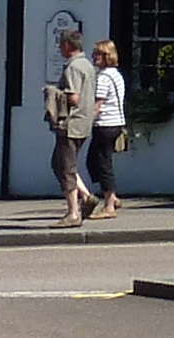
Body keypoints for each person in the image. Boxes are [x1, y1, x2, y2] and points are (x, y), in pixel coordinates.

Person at [46, 31, 97, 225]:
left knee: (66, 167)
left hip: (71, 124)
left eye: (61, 44)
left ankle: (73, 213)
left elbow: (73, 98)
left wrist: (53, 92)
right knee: (59, 164)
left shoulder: (73, 68)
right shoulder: (87, 65)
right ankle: (86, 196)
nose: (60, 48)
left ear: (68, 45)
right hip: (83, 122)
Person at [86, 41, 127, 222]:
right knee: (93, 161)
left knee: (103, 165)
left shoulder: (103, 78)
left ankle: (109, 205)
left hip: (105, 124)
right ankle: (113, 197)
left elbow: (98, 105)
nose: (94, 57)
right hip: (116, 123)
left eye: (99, 54)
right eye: (94, 53)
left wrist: (87, 123)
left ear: (107, 56)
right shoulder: (116, 75)